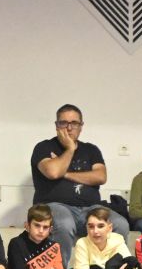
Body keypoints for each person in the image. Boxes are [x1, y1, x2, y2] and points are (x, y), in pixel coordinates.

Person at [29, 104, 105, 256]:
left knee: (120, 224)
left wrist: (65, 173)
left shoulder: (91, 150)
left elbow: (100, 177)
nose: (69, 128)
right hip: (55, 206)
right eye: (64, 123)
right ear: (57, 126)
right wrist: (70, 149)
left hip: (90, 208)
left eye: (74, 123)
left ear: (81, 126)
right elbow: (53, 172)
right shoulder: (43, 147)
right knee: (64, 224)